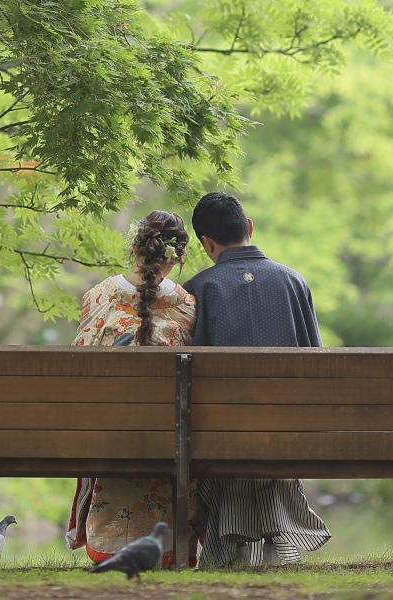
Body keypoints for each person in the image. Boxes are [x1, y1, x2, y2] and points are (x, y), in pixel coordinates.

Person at [182, 191, 331, 568]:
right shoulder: (294, 282)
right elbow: (320, 365)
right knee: (267, 432)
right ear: (249, 228)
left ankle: (231, 550)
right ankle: (279, 544)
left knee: (231, 432)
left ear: (206, 243)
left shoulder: (199, 289)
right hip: (288, 433)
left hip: (221, 436)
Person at [66, 210, 199, 567]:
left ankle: (107, 546)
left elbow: (77, 370)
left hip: (108, 435)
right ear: (177, 256)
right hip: (170, 438)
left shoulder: (100, 296)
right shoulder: (187, 305)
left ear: (135, 247)